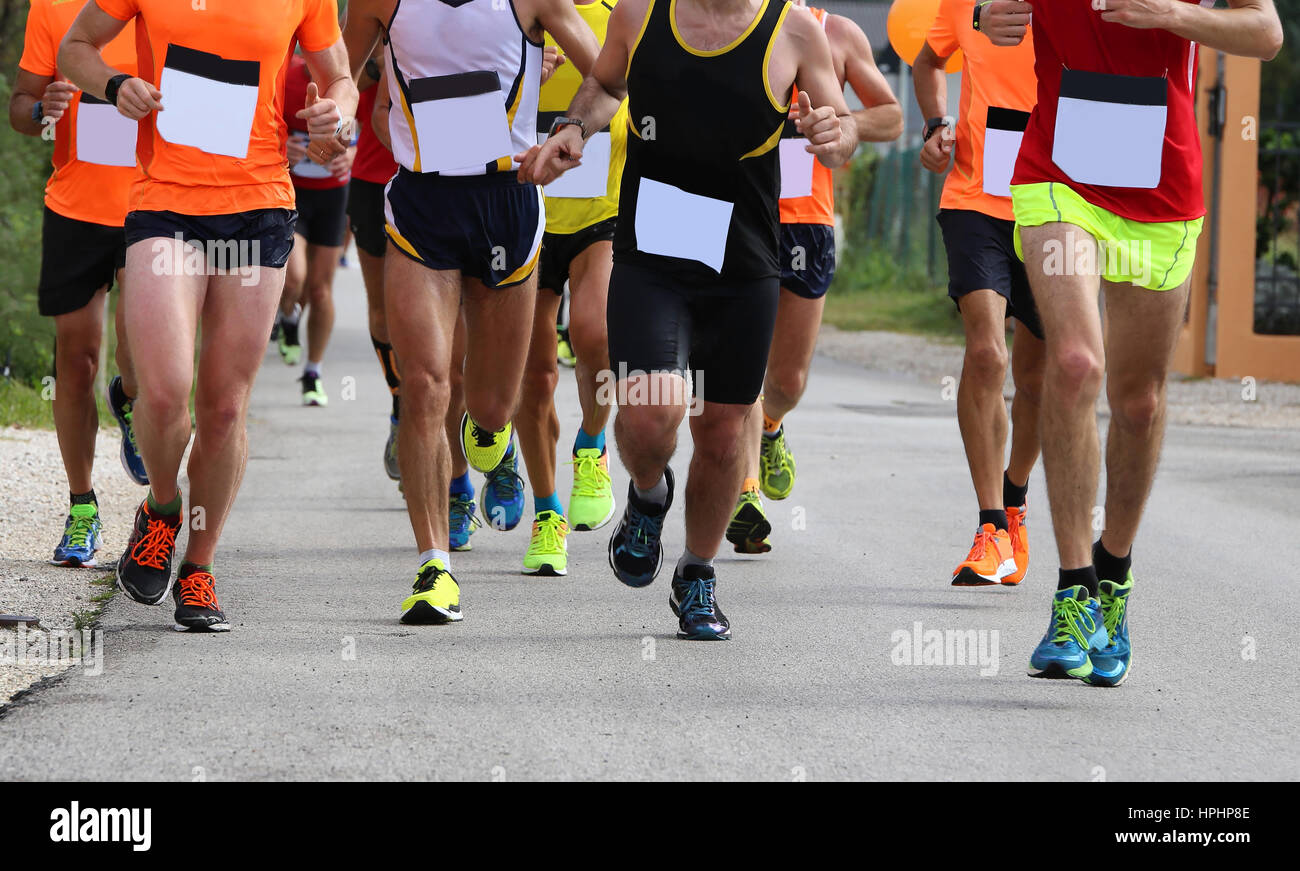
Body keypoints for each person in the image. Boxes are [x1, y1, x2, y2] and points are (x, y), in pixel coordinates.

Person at [519, 0, 857, 640]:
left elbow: (839, 127)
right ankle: (648, 495)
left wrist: (838, 134)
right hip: (653, 251)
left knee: (726, 433)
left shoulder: (795, 31)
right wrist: (576, 129)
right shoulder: (641, 14)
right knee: (649, 415)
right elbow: (606, 85)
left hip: (746, 260)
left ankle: (697, 573)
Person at [978, 0, 1282, 683]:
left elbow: (1265, 33)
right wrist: (981, 13)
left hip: (1162, 190)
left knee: (1139, 401)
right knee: (1077, 361)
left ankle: (1114, 573)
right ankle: (1073, 588)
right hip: (1060, 176)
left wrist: (1171, 13)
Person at [60, 0, 358, 632]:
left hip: (258, 207)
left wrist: (340, 113)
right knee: (165, 393)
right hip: (165, 205)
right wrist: (116, 86)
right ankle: (162, 509)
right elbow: (75, 48)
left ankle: (198, 567)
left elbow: (339, 78)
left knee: (225, 407)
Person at [344, 0, 600, 624]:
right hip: (422, 204)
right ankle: (434, 567)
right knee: (426, 384)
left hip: (507, 201)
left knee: (490, 407)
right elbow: (338, 71)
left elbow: (607, 72)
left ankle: (494, 439)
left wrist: (573, 128)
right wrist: (330, 113)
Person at [727, 0, 902, 554]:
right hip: (739, 217)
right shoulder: (728, 25)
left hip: (806, 223)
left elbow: (893, 117)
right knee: (740, 368)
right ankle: (745, 492)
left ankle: (773, 425)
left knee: (788, 381)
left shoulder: (838, 33)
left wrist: (837, 120)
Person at [910, 0, 1045, 586]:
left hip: (1052, 204)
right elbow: (925, 62)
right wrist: (937, 125)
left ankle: (1014, 499)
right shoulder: (965, 3)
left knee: (1039, 377)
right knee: (988, 353)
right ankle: (990, 526)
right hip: (973, 200)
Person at [9, 0, 146, 569]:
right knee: (78, 359)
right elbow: (21, 109)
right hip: (75, 210)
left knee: (141, 347)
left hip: (153, 204)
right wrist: (45, 107)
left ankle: (132, 399)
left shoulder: (162, 8)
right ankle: (82, 506)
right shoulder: (51, 7)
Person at [515, 7, 630, 577]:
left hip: (600, 214)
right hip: (524, 211)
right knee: (533, 373)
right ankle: (546, 513)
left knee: (597, 335)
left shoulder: (626, 13)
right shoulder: (516, 12)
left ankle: (591, 443)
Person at [278, 50, 355, 407]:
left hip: (333, 196)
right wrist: (283, 146)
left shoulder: (350, 77)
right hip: (292, 193)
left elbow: (369, 124)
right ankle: (289, 315)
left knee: (321, 291)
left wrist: (354, 154)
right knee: (294, 278)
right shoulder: (286, 72)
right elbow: (260, 122)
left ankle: (313, 372)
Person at [346, 49, 402, 480]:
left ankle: (483, 420)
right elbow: (339, 79)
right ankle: (402, 400)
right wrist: (376, 62)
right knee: (384, 307)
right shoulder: (371, 12)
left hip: (446, 175)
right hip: (373, 179)